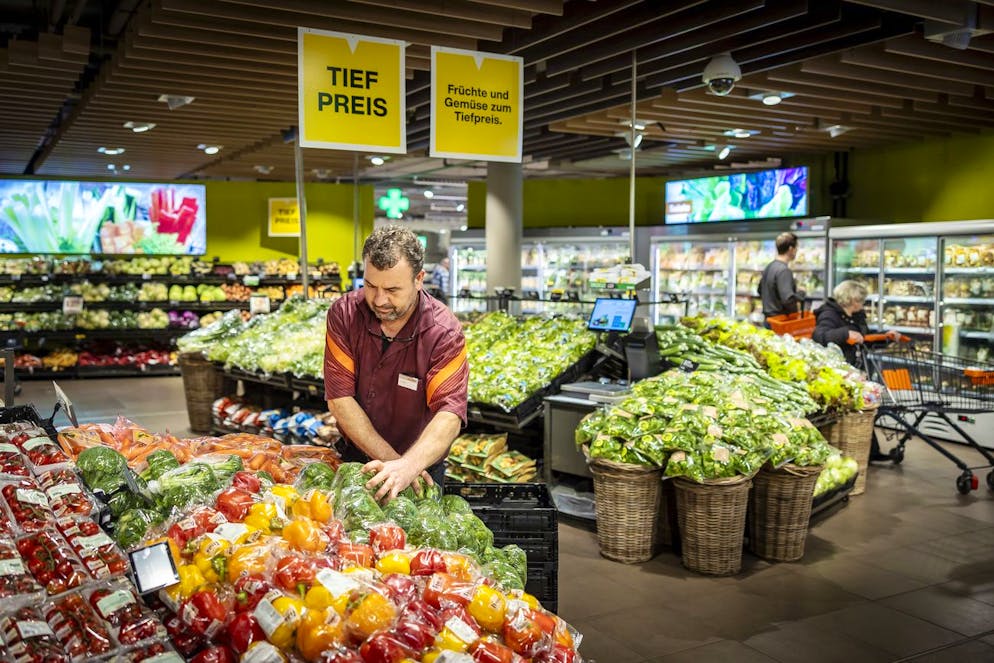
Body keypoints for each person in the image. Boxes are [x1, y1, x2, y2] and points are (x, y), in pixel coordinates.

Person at [324, 226, 469, 501]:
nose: (379, 300)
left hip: (421, 467)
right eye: (370, 285)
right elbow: (340, 399)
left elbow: (448, 414)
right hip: (356, 459)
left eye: (392, 289)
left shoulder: (444, 332)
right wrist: (393, 464)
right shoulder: (343, 315)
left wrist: (408, 466)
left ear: (419, 279)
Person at [813, 279, 898, 461]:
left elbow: (864, 339)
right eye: (860, 300)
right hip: (838, 372)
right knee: (856, 410)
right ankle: (859, 451)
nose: (862, 304)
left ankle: (869, 451)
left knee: (863, 409)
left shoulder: (857, 316)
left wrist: (887, 338)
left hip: (856, 370)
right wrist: (845, 334)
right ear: (850, 300)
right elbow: (820, 336)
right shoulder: (829, 314)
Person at [759, 232, 807, 325]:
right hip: (780, 322)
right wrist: (800, 294)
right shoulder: (784, 271)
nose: (796, 251)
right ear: (791, 249)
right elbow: (787, 299)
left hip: (768, 320)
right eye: (796, 248)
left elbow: (760, 290)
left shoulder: (769, 267)